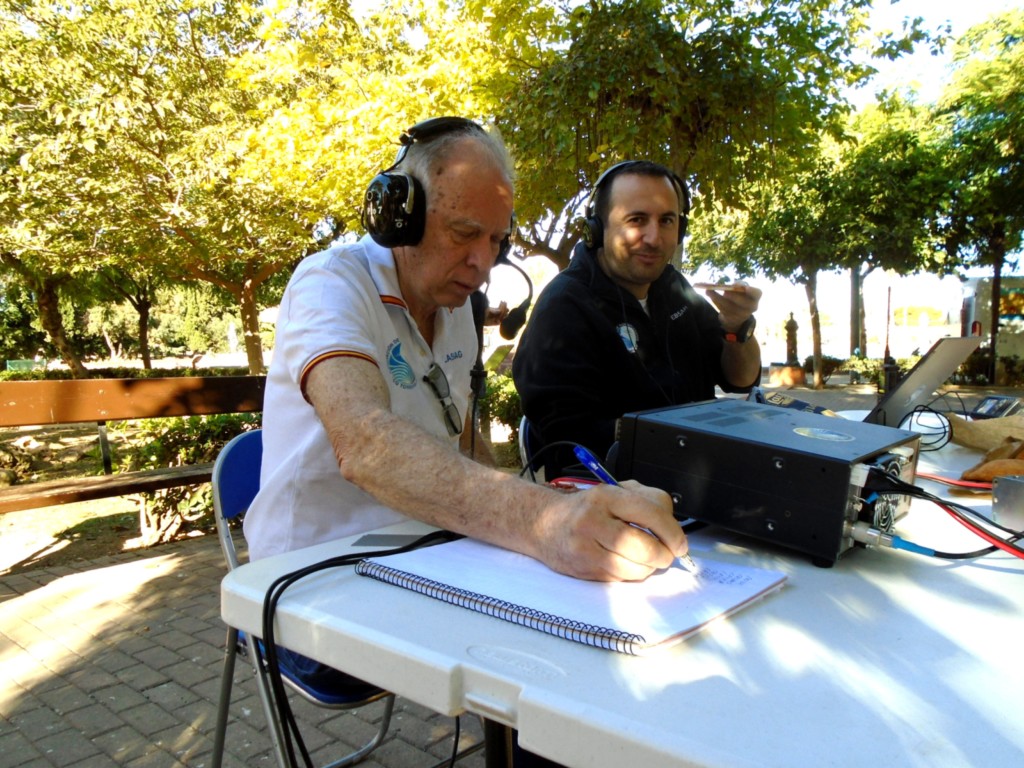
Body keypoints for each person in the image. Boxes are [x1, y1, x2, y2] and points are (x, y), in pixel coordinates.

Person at [512, 160, 762, 478]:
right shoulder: (563, 307)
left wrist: (736, 326)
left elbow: (739, 379)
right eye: (637, 220)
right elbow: (566, 442)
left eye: (667, 220)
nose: (654, 238)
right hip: (610, 496)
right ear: (597, 229)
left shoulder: (673, 287)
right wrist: (679, 432)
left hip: (698, 478)